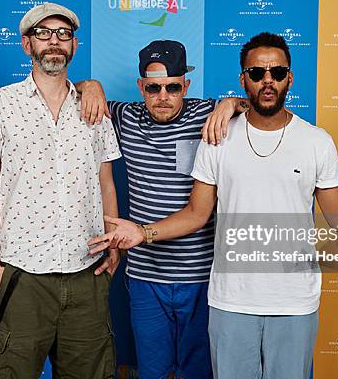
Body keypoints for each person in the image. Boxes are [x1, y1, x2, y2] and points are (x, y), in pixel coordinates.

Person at [88, 32, 338, 379]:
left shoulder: (311, 141)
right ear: (244, 79)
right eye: (257, 73)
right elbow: (197, 213)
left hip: (293, 301)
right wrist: (91, 85)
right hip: (228, 299)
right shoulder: (217, 138)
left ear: (289, 78)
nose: (267, 80)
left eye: (276, 72)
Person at [0, 3, 121, 379]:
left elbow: (106, 182)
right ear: (26, 44)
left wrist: (112, 244)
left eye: (63, 34)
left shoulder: (93, 108)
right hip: (23, 274)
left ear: (74, 46)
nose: (54, 42)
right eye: (43, 33)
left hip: (88, 273)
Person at [77, 39, 248, 379]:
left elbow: (260, 107)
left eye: (173, 87)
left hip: (199, 275)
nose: (163, 97)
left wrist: (232, 103)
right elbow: (69, 92)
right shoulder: (125, 117)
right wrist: (90, 86)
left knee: (199, 370)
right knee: (151, 370)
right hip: (145, 277)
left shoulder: (207, 114)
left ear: (186, 85)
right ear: (141, 86)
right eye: (153, 88)